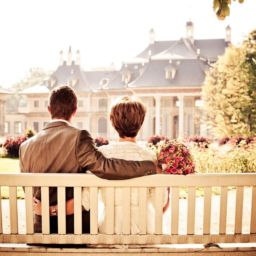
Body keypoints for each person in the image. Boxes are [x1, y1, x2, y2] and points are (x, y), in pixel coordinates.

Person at [20, 85, 157, 234]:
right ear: (75, 110)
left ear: (49, 109)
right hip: (75, 231)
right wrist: (150, 167)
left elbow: (29, 193)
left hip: (39, 231)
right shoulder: (79, 137)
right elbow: (105, 167)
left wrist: (45, 210)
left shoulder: (25, 147)